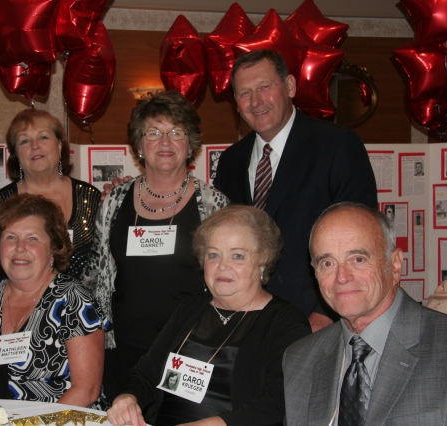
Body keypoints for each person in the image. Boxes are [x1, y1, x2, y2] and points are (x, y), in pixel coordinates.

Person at [213, 49, 378, 332]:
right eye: (244, 93)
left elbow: (362, 235)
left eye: (265, 87)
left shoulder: (337, 146)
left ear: (289, 86)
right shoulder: (231, 161)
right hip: (243, 319)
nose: (256, 101)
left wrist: (324, 313)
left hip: (314, 319)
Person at [82, 90, 229, 400]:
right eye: (154, 132)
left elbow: (229, 281)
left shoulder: (214, 205)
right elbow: (97, 277)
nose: (165, 142)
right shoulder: (113, 202)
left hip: (191, 349)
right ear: (139, 144)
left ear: (190, 146)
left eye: (176, 132)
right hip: (124, 349)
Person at [107, 205, 310, 426]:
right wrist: (127, 397)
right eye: (214, 255)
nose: (223, 266)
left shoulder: (286, 323)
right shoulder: (189, 310)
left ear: (263, 260)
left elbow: (278, 404)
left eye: (238, 256)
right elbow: (146, 373)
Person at [283, 202, 447, 425]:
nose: (342, 277)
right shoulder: (300, 360)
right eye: (328, 263)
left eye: (358, 259)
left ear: (395, 263)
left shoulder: (441, 345)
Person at [0, 109, 101, 316]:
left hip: (84, 318)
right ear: (16, 154)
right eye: (24, 141)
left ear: (59, 145)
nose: (35, 146)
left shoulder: (92, 198)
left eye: (43, 137)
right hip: (17, 325)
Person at [0, 193, 108, 408]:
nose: (20, 247)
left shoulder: (73, 300)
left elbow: (86, 391)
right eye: (10, 237)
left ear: (53, 250)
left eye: (32, 238)